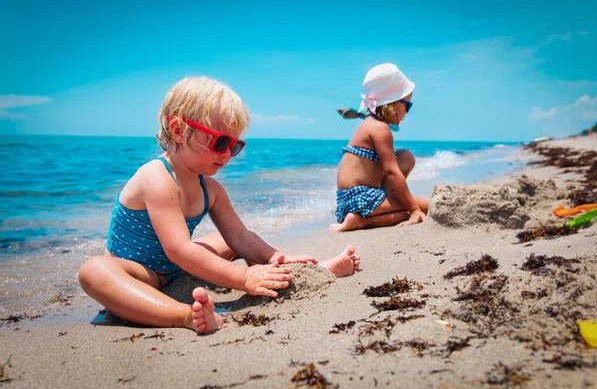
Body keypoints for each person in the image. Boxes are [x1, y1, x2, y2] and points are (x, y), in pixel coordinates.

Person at [78, 77, 360, 335]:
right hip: (138, 274)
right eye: (220, 141)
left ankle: (300, 274)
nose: (227, 154)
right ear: (178, 130)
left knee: (232, 242)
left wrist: (279, 257)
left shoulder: (209, 188)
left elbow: (239, 236)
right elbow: (179, 249)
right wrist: (243, 276)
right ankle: (184, 316)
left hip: (176, 271)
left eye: (235, 145)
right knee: (93, 271)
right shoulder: (157, 178)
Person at [329, 63, 429, 232]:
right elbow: (391, 171)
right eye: (407, 105)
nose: (408, 112)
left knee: (405, 156)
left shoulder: (370, 123)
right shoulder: (381, 129)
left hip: (347, 202)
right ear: (392, 104)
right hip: (364, 199)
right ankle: (362, 221)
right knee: (427, 208)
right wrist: (414, 210)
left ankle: (361, 218)